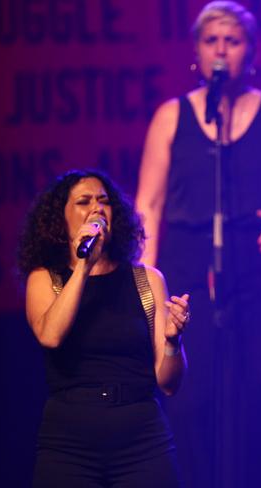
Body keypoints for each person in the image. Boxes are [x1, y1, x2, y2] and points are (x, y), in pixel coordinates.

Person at [134, 2, 261, 486]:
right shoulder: (171, 116)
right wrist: (146, 284)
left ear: (250, 52)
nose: (221, 51)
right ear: (196, 51)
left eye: (231, 42)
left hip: (259, 268)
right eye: (211, 41)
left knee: (256, 392)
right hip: (188, 265)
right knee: (192, 396)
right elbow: (147, 205)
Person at [17, 170, 190, 487]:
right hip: (69, 443)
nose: (97, 209)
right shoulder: (45, 279)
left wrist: (173, 341)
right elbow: (50, 335)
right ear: (61, 220)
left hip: (141, 438)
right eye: (84, 202)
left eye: (104, 202)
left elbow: (168, 384)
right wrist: (84, 265)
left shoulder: (146, 279)